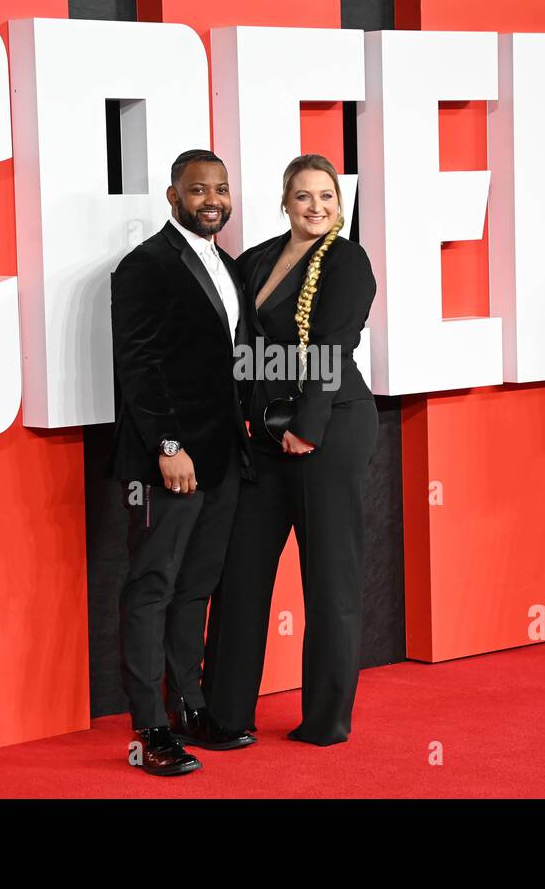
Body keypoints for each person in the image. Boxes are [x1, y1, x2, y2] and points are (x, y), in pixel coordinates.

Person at [202, 154, 378, 745]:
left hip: (327, 431)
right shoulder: (255, 260)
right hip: (263, 439)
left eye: (326, 196)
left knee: (329, 576)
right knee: (241, 571)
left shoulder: (347, 262)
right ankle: (226, 715)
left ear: (339, 202)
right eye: (303, 196)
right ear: (285, 201)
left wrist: (307, 426)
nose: (316, 207)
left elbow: (334, 346)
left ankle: (325, 721)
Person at [106, 148, 256, 775]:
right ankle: (150, 728)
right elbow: (138, 367)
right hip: (166, 462)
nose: (212, 200)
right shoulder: (143, 267)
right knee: (152, 588)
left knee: (195, 588)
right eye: (199, 190)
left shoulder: (228, 266)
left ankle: (190, 707)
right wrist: (168, 446)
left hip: (222, 459)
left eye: (220, 188)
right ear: (173, 197)